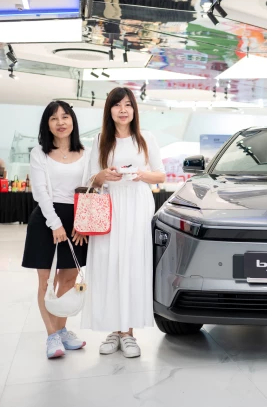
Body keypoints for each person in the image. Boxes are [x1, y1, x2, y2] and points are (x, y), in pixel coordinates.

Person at [81, 87, 166, 358]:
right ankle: (114, 330)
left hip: (138, 206)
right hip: (110, 207)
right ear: (109, 110)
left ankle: (128, 333)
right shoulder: (100, 140)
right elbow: (90, 179)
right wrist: (103, 176)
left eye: (128, 104)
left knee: (132, 265)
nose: (123, 110)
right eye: (117, 105)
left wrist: (141, 174)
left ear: (134, 109)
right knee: (108, 265)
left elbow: (160, 175)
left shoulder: (145, 138)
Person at [21, 101, 89, 359]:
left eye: (65, 117)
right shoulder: (39, 153)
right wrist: (55, 223)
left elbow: (91, 189)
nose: (60, 122)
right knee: (46, 281)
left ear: (72, 121)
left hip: (76, 220)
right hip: (46, 219)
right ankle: (51, 335)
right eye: (54, 118)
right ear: (47, 124)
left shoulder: (87, 152)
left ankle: (61, 331)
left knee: (69, 279)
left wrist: (82, 223)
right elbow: (40, 192)